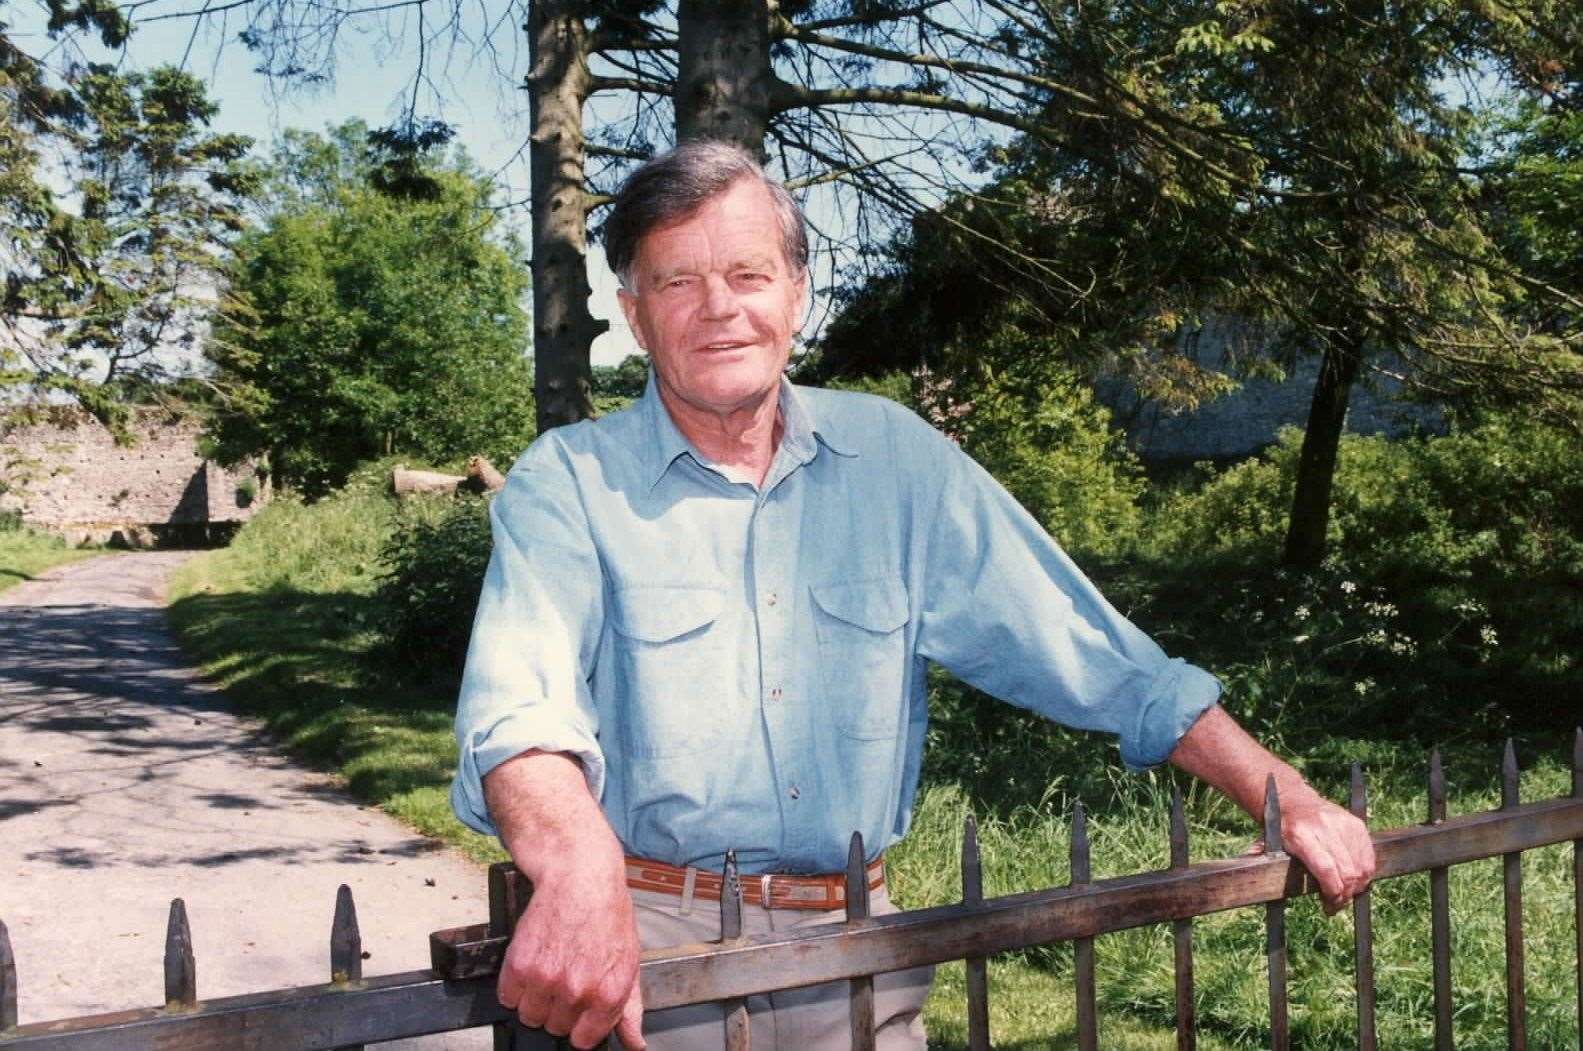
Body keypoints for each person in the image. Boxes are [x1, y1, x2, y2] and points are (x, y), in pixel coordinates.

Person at [451, 140, 1376, 1051]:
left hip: (861, 956)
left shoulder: (893, 459)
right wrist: (577, 872)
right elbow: (519, 706)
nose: (719, 308)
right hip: (648, 958)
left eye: (747, 272)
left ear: (795, 293)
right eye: (677, 282)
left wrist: (1281, 793)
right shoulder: (566, 481)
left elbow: (1089, 650)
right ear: (634, 313)